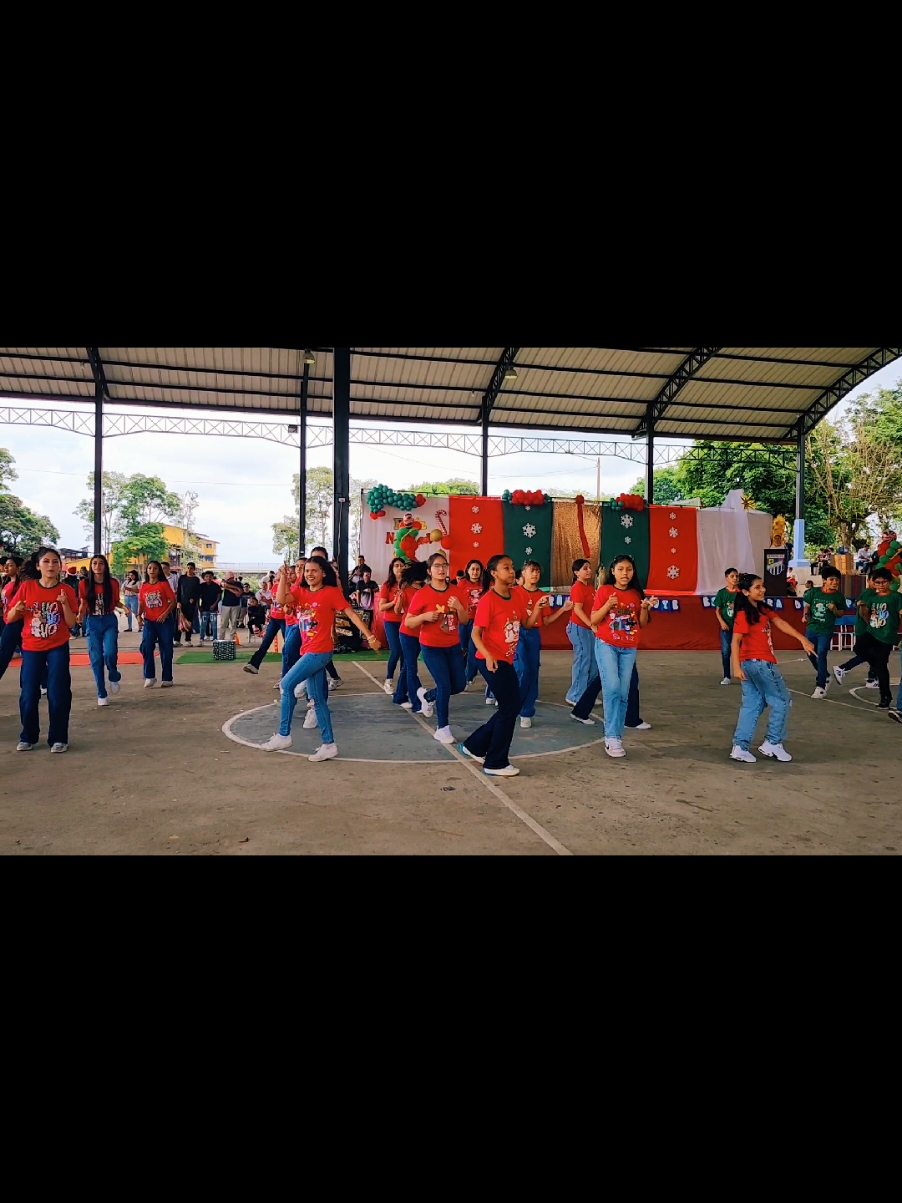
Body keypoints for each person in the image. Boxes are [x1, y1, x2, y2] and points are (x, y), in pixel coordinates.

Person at [261, 555, 379, 761]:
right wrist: (281, 579)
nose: (309, 574)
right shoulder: (300, 591)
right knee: (317, 700)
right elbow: (281, 600)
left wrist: (369, 636)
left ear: (324, 573)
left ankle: (283, 734)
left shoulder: (331, 593)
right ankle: (329, 744)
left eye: (314, 570)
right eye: (307, 571)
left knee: (287, 685)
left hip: (320, 651)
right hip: (308, 650)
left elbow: (351, 614)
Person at [458, 554, 545, 777]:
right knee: (509, 707)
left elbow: (526, 623)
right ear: (494, 574)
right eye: (506, 568)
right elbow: (476, 634)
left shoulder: (515, 596)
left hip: (505, 658)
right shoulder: (489, 600)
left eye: (512, 567)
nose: (511, 571)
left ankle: (475, 745)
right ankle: (495, 762)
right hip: (491, 659)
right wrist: (487, 655)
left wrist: (537, 607)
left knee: (510, 707)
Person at [729, 572, 815, 763]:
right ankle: (773, 742)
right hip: (759, 663)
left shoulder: (763, 609)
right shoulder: (743, 614)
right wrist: (735, 667)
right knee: (782, 700)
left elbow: (780, 623)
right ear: (745, 592)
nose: (762, 590)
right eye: (757, 587)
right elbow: (735, 641)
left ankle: (740, 747)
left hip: (752, 664)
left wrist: (802, 639)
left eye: (762, 586)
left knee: (752, 704)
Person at [7, 547, 78, 752]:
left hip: (57, 646)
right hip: (31, 647)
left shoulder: (67, 590)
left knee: (58, 692)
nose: (51, 566)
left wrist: (64, 604)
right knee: (28, 694)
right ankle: (28, 736)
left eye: (55, 562)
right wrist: (16, 609)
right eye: (46, 562)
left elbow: (72, 623)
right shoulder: (27, 588)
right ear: (38, 566)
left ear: (60, 566)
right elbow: (10, 618)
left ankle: (58, 738)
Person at [590, 554, 658, 759]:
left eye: (629, 569)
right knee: (611, 688)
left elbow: (642, 623)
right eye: (620, 569)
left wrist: (645, 608)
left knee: (622, 692)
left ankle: (616, 736)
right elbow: (594, 619)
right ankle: (611, 737)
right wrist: (607, 606)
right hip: (606, 645)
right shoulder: (605, 591)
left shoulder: (636, 594)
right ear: (612, 571)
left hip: (628, 648)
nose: (625, 573)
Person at [405, 552, 469, 744]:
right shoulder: (422, 593)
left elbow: (464, 620)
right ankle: (443, 728)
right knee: (444, 685)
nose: (441, 569)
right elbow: (409, 622)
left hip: (453, 645)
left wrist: (459, 607)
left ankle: (427, 695)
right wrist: (424, 617)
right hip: (431, 647)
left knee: (459, 685)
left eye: (444, 565)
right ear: (429, 571)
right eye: (436, 566)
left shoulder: (457, 591)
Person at [513, 560, 572, 728]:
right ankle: (513, 701)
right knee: (521, 669)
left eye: (538, 571)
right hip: (517, 633)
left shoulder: (542, 596)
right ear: (523, 573)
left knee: (532, 671)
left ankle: (526, 710)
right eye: (532, 570)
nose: (535, 574)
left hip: (533, 634)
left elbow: (546, 621)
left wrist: (562, 610)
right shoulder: (514, 592)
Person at [853, 568, 902, 711]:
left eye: (883, 582)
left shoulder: (896, 597)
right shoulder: (872, 597)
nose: (880, 585)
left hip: (886, 636)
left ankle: (885, 697)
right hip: (872, 631)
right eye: (877, 582)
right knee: (858, 648)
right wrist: (862, 608)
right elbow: (865, 615)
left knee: (881, 668)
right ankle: (876, 662)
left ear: (890, 582)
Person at [78, 554, 123, 706]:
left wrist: (125, 608)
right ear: (91, 566)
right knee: (96, 658)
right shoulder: (84, 584)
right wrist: (79, 616)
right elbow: (83, 603)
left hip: (109, 620)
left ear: (105, 566)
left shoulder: (112, 583)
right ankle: (101, 693)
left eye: (101, 563)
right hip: (93, 621)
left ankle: (113, 674)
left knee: (110, 652)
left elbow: (116, 601)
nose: (98, 566)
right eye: (95, 563)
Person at [803, 565, 846, 699]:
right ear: (824, 581)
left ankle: (820, 686)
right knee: (810, 653)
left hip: (826, 631)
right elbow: (807, 606)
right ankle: (825, 675)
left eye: (837, 580)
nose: (834, 583)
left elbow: (840, 614)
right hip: (812, 628)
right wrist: (805, 615)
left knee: (821, 655)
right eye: (831, 580)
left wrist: (834, 610)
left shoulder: (839, 597)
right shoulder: (813, 592)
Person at [833, 571, 879, 689]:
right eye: (875, 581)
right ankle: (843, 668)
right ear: (868, 581)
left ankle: (872, 678)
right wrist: (870, 624)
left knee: (873, 654)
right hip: (867, 629)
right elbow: (864, 611)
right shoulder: (869, 593)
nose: (877, 583)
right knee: (869, 654)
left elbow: (855, 604)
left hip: (862, 628)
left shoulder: (866, 593)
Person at [396, 560, 429, 714]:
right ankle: (417, 703)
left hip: (419, 634)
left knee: (408, 667)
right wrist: (399, 598)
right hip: (407, 633)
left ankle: (399, 696)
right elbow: (398, 610)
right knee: (411, 668)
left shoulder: (424, 589)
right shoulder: (406, 590)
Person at [565, 558, 599, 706]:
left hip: (589, 628)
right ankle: (574, 695)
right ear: (576, 572)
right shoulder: (577, 588)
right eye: (585, 568)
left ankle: (587, 695)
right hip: (579, 628)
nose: (589, 571)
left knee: (593, 662)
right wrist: (591, 625)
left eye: (589, 568)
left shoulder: (590, 587)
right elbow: (577, 610)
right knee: (583, 660)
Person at [139, 561, 177, 688]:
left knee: (166, 648)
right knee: (146, 647)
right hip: (149, 621)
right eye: (149, 568)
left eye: (155, 568)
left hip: (164, 621)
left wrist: (165, 614)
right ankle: (149, 676)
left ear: (159, 571)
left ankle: (167, 677)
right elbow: (141, 603)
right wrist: (139, 616)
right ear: (146, 570)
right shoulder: (144, 586)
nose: (152, 570)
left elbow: (173, 601)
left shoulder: (163, 584)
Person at [243, 570, 289, 674]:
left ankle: (287, 673)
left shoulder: (287, 586)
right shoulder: (274, 587)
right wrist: (267, 603)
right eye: (278, 572)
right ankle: (254, 664)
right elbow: (274, 602)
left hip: (285, 619)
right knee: (266, 642)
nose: (278, 574)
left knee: (289, 646)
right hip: (274, 617)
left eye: (281, 572)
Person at [310, 547, 343, 690]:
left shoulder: (331, 577)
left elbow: (339, 599)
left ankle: (317, 695)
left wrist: (333, 627)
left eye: (320, 558)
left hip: (324, 619)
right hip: (307, 620)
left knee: (321, 651)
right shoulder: (306, 575)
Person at [378, 557, 406, 697]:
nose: (399, 568)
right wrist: (394, 602)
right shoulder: (387, 585)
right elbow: (381, 606)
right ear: (392, 569)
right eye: (396, 565)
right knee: (395, 651)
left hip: (406, 622)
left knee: (405, 654)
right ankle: (389, 680)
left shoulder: (409, 585)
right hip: (391, 622)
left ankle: (403, 682)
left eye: (402, 565)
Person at [458, 558, 484, 688]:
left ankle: (469, 677)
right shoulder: (462, 583)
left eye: (477, 569)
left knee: (474, 650)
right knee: (463, 650)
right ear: (467, 571)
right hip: (464, 620)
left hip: (478, 622)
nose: (475, 572)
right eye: (472, 569)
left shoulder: (484, 584)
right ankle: (461, 676)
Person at [713, 568, 740, 684]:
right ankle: (726, 676)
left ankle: (744, 674)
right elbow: (717, 610)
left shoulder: (741, 594)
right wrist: (722, 622)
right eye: (732, 576)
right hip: (727, 627)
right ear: (727, 578)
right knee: (725, 651)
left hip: (740, 627)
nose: (735, 579)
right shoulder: (722, 593)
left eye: (737, 576)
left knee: (742, 651)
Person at [173, 562, 202, 646]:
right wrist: (178, 601)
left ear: (194, 569)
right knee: (179, 620)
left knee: (189, 621)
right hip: (181, 603)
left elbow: (197, 591)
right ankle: (177, 639)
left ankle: (188, 639)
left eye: (191, 568)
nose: (189, 570)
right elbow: (178, 590)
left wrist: (194, 598)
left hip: (191, 604)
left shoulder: (196, 579)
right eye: (188, 568)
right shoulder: (182, 578)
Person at [218, 571, 244, 643]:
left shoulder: (238, 583)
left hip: (235, 605)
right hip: (225, 605)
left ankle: (232, 639)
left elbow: (240, 592)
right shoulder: (223, 582)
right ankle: (221, 638)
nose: (231, 579)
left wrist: (230, 588)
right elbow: (224, 585)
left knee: (233, 623)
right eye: (229, 578)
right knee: (223, 623)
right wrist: (234, 589)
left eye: (232, 578)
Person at [198, 571, 221, 642]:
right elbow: (199, 597)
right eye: (207, 576)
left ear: (212, 577)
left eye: (210, 576)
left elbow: (219, 596)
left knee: (214, 624)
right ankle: (201, 638)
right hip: (204, 608)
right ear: (204, 578)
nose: (208, 578)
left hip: (213, 609)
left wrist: (214, 605)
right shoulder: (201, 586)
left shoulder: (216, 586)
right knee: (203, 624)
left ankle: (215, 638)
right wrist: (200, 607)